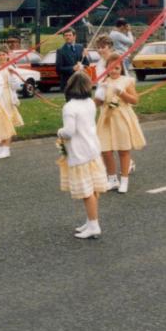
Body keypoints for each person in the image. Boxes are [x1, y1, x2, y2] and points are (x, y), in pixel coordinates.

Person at [57, 72, 108, 239]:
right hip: (93, 150)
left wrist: (59, 132)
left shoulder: (69, 107)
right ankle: (90, 220)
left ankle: (94, 225)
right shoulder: (90, 103)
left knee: (87, 192)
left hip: (80, 153)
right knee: (92, 189)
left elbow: (69, 132)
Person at [94, 53, 145, 193]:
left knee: (123, 149)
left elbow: (135, 100)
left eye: (117, 68)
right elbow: (97, 103)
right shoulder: (103, 82)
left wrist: (121, 92)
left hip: (121, 117)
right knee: (105, 150)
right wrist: (99, 96)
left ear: (121, 68)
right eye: (110, 68)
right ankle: (112, 179)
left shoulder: (127, 81)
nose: (114, 71)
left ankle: (124, 179)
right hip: (106, 118)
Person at [0, 46, 25, 158]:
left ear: (7, 55)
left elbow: (16, 86)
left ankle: (6, 148)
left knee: (7, 122)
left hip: (7, 97)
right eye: (0, 54)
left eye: (4, 54)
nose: (2, 57)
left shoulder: (11, 67)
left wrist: (12, 74)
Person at [54, 29, 86, 95]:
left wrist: (82, 65)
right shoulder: (60, 51)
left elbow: (86, 63)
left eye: (70, 35)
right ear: (63, 37)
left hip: (80, 83)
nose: (68, 37)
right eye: (66, 35)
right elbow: (58, 69)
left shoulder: (80, 47)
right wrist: (72, 68)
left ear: (74, 36)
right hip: (68, 84)